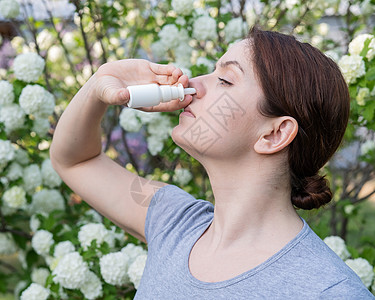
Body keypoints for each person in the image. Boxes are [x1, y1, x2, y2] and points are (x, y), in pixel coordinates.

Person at [50, 27, 374, 298]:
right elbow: (76, 160)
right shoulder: (174, 222)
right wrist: (101, 82)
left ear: (274, 134)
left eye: (226, 80)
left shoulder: (328, 291)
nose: (192, 85)